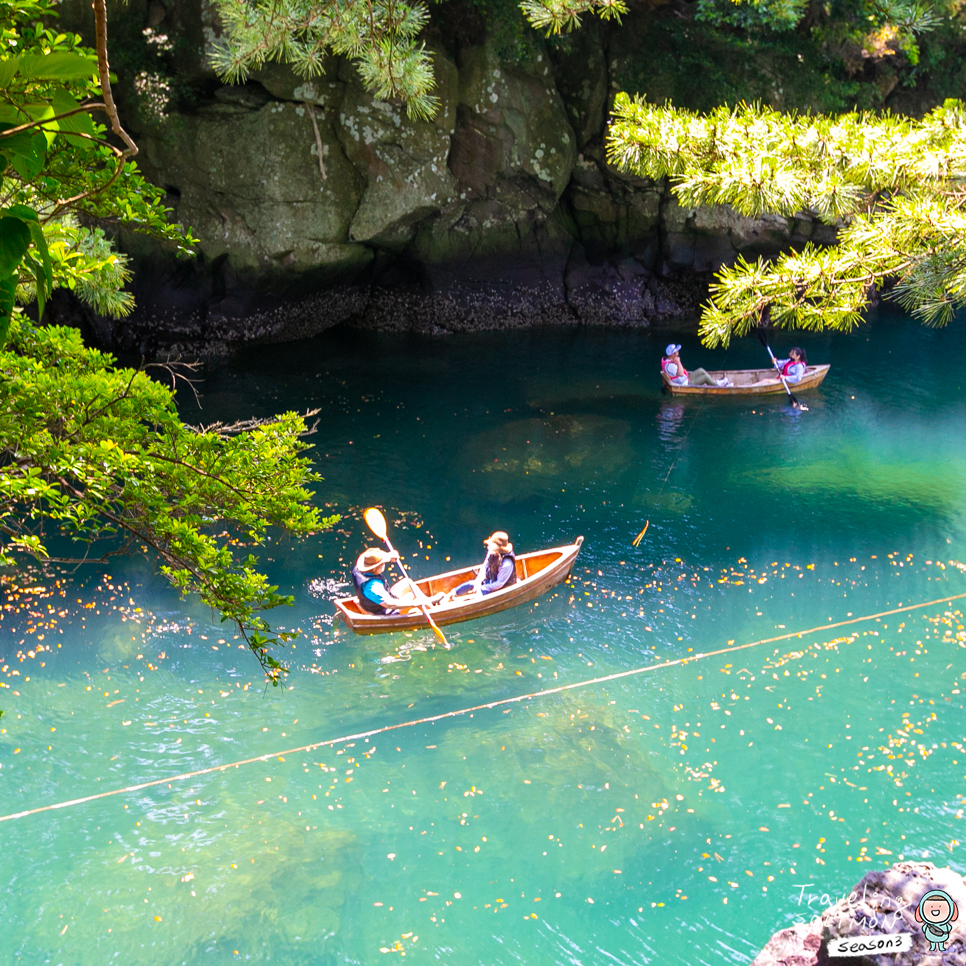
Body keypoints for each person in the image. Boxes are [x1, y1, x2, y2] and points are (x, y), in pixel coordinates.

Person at [352, 548, 441, 615]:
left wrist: (389, 556)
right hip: (384, 611)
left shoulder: (358, 569)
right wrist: (414, 603)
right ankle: (434, 613)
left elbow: (373, 559)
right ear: (375, 568)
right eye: (382, 564)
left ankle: (428, 602)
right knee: (412, 595)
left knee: (407, 582)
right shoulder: (373, 586)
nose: (384, 565)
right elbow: (389, 604)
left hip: (376, 601)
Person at [449, 531, 518, 598]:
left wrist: (482, 588)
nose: (488, 547)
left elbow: (499, 584)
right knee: (471, 584)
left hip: (501, 587)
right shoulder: (491, 552)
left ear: (498, 549)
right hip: (491, 581)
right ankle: (450, 594)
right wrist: (478, 582)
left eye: (491, 546)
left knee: (479, 594)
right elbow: (485, 567)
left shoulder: (506, 563)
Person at [661, 344, 732, 387]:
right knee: (705, 377)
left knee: (701, 370)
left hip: (686, 378)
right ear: (673, 354)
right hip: (685, 383)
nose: (678, 352)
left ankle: (715, 383)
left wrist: (677, 361)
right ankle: (718, 386)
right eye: (676, 351)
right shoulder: (670, 366)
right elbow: (680, 373)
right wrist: (678, 362)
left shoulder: (672, 360)